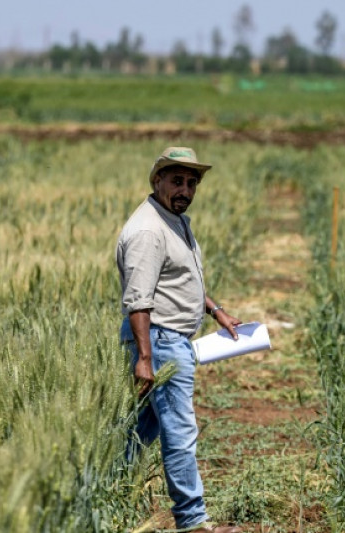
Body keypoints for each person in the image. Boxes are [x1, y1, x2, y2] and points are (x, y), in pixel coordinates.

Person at [115, 146, 243, 533]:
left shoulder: (171, 218)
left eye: (191, 182)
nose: (185, 189)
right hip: (159, 341)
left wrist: (215, 310)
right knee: (180, 432)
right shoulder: (148, 230)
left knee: (140, 432)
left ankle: (101, 492)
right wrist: (145, 358)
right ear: (156, 181)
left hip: (169, 340)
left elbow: (178, 280)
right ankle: (192, 521)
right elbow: (139, 299)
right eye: (176, 181)